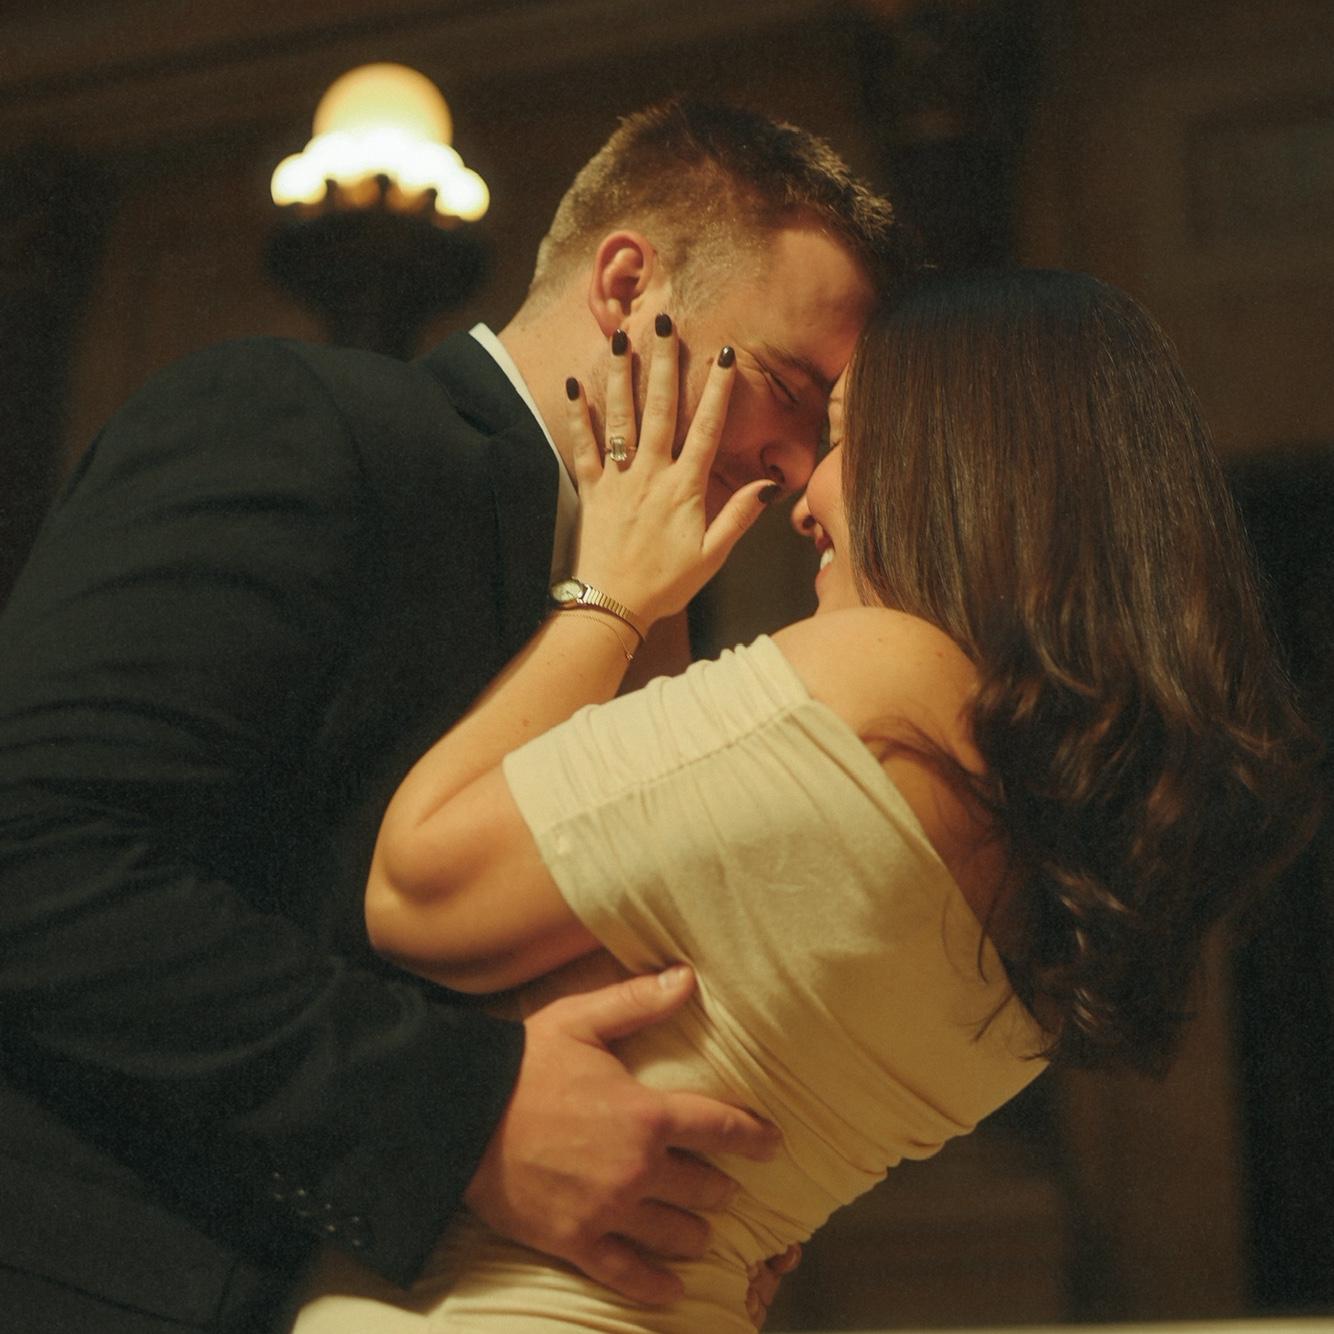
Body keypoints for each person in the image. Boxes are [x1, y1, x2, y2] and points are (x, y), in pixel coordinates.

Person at [0, 100, 897, 1332]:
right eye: (787, 389)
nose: (796, 465)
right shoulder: (309, 423)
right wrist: (461, 1114)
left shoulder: (672, 621)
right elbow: (30, 848)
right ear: (626, 284)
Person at [289, 269, 1318, 1331]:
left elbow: (418, 888)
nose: (806, 495)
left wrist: (612, 593)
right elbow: (664, 861)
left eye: (841, 434)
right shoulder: (1042, 834)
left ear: (951, 458)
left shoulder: (889, 677)